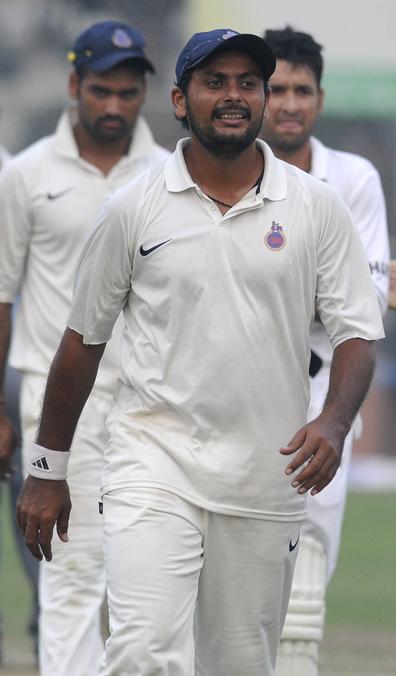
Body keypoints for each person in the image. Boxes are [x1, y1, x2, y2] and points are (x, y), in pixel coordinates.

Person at [15, 28, 384, 674]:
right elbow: (81, 343)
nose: (234, 95)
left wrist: (333, 420)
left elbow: (357, 333)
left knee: (239, 664)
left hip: (264, 477)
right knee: (143, 651)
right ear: (181, 102)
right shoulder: (133, 209)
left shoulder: (318, 210)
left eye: (249, 83)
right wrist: (48, 470)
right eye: (216, 82)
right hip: (152, 467)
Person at [0, 20, 166, 674]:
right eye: (101, 91)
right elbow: (3, 296)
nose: (114, 106)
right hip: (54, 403)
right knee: (67, 574)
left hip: (149, 403)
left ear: (145, 92)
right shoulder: (28, 174)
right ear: (74, 85)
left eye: (127, 93)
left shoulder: (167, 175)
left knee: (145, 573)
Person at [260, 25, 391, 675]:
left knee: (308, 563)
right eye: (276, 89)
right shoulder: (225, 168)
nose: (288, 103)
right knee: (235, 564)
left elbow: (361, 302)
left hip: (322, 387)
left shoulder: (354, 178)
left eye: (301, 91)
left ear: (320, 97)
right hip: (233, 383)